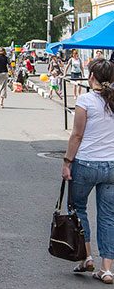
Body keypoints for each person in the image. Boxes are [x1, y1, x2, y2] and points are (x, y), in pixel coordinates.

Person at [61, 59, 114, 281]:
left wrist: (66, 161)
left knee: (78, 208)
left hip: (86, 163)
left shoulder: (85, 100)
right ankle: (107, 269)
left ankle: (86, 257)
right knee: (108, 216)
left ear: (91, 76)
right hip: (112, 166)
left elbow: (77, 135)